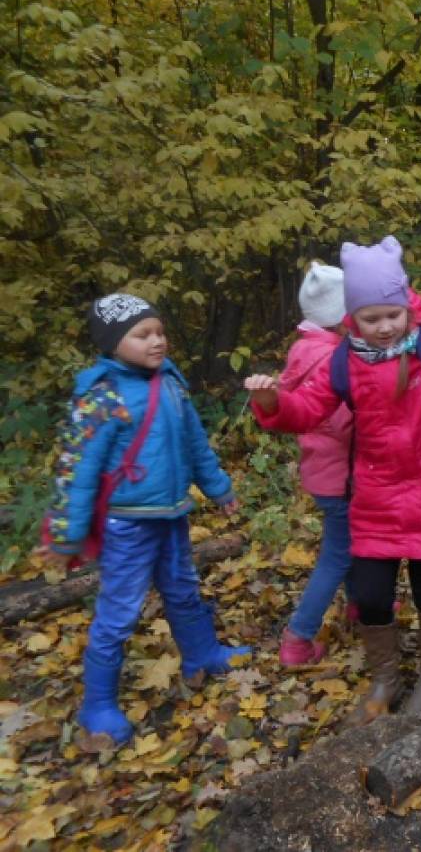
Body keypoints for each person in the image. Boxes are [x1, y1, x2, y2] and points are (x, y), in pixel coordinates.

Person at [245, 237, 421, 724]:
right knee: (372, 591)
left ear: (406, 307)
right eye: (371, 318)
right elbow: (309, 409)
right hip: (376, 495)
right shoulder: (343, 361)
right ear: (351, 320)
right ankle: (385, 677)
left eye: (391, 315)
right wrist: (273, 403)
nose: (383, 327)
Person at [39, 294, 247, 745]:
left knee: (183, 589)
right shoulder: (101, 398)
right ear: (114, 344)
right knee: (118, 612)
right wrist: (66, 534)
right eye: (142, 334)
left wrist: (220, 488)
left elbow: (195, 445)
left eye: (159, 331)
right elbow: (76, 471)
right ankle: (97, 705)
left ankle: (202, 655)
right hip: (127, 524)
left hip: (172, 515)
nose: (157, 341)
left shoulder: (171, 384)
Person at [272, 262, 356, 666]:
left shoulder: (303, 349)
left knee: (350, 544)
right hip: (340, 474)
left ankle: (359, 606)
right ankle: (298, 637)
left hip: (321, 471)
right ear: (343, 316)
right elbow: (344, 423)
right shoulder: (331, 360)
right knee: (338, 554)